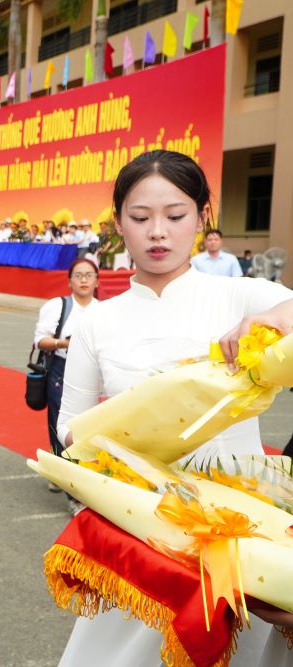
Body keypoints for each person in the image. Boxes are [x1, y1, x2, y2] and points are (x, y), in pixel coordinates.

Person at [55, 150, 293, 666]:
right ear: (119, 222)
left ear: (203, 215)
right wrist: (122, 437)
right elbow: (69, 428)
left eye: (176, 215)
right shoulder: (98, 321)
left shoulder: (240, 295)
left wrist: (274, 318)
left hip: (241, 529)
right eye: (140, 218)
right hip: (145, 525)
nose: (158, 232)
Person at [32, 258, 99, 515]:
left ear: (97, 280)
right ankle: (74, 493)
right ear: (69, 280)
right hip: (61, 370)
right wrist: (64, 343)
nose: (84, 280)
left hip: (92, 373)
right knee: (63, 427)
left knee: (87, 428)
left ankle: (60, 471)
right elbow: (40, 340)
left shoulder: (103, 310)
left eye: (89, 275)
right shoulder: (58, 306)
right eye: (78, 275)